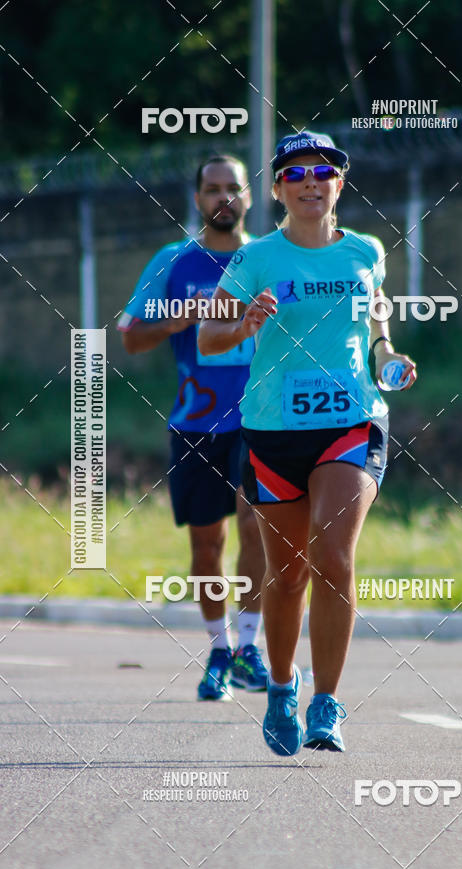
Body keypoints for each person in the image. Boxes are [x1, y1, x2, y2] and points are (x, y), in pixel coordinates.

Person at [197, 131, 417, 754]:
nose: (310, 181)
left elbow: (375, 317)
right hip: (271, 430)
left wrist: (386, 354)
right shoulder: (258, 258)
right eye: (296, 174)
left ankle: (327, 702)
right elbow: (209, 340)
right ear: (277, 190)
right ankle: (281, 686)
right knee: (286, 573)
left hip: (352, 419)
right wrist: (245, 322)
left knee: (334, 558)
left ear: (339, 185)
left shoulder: (367, 251)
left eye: (323, 171)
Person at [118, 154, 267, 701]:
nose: (223, 197)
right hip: (196, 423)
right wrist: (184, 317)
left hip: (263, 419)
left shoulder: (269, 256)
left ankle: (250, 645)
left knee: (256, 530)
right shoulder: (174, 261)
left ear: (250, 198)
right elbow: (131, 338)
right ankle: (219, 650)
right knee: (209, 548)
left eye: (233, 188)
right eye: (212, 189)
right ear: (197, 198)